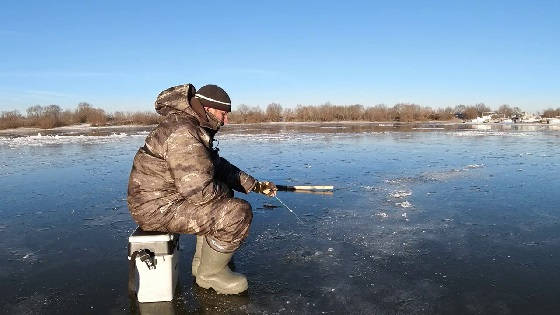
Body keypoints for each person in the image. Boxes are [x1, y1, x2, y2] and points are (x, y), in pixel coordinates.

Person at [127, 84, 277, 294]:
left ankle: (202, 264)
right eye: (223, 114)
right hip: (156, 209)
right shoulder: (183, 133)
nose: (226, 121)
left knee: (224, 199)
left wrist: (255, 185)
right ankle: (210, 275)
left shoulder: (191, 125)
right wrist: (226, 192)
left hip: (165, 200)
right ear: (208, 108)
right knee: (236, 212)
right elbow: (199, 193)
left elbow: (218, 166)